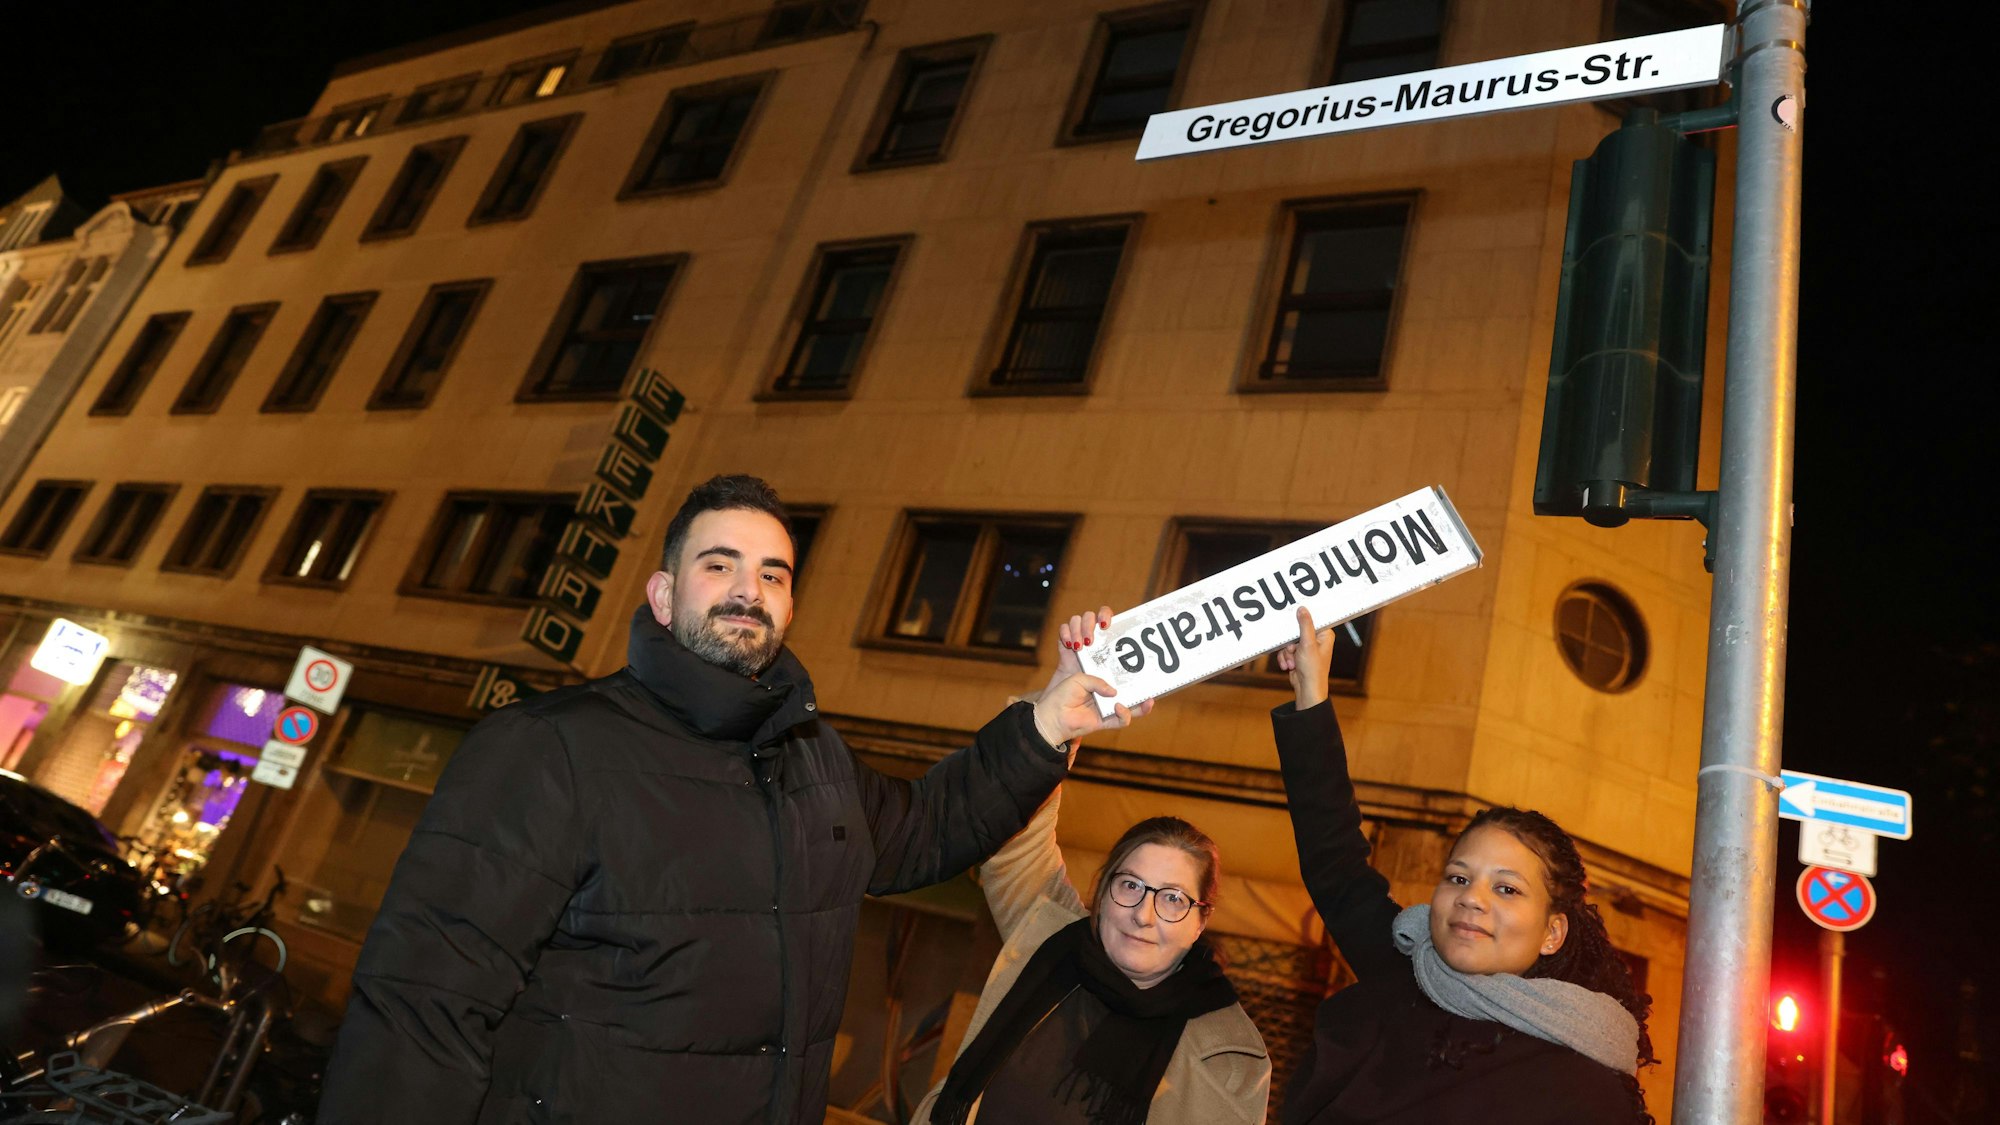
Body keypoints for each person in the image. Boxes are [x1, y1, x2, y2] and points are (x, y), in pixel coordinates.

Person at [317, 475, 1147, 1124]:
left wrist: (1046, 719)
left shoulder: (812, 756)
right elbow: (424, 1011)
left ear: (787, 606)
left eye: (772, 573)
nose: (748, 589)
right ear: (664, 595)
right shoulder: (548, 747)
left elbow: (926, 830)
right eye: (719, 565)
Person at [1271, 607, 1656, 1124]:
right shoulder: (1404, 970)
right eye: (1458, 877)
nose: (1472, 898)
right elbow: (1334, 859)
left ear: (1553, 932)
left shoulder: (1583, 1088)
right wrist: (1311, 695)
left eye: (1508, 890)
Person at [911, 608, 1270, 1125]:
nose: (1144, 916)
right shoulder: (1048, 940)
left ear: (1201, 919)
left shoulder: (1230, 1054)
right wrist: (1056, 708)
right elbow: (1016, 836)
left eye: (1172, 898)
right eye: (1130, 886)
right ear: (1102, 894)